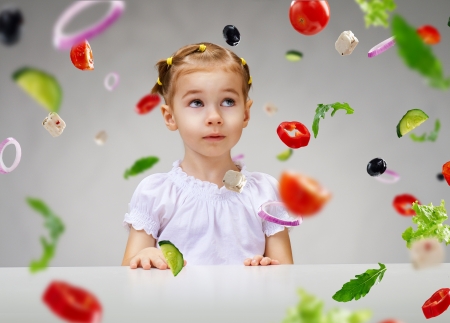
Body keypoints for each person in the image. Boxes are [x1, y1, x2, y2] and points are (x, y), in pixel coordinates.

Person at [121, 42, 294, 270]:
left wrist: (267, 267)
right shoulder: (155, 194)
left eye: (228, 101)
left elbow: (287, 277)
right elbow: (127, 277)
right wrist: (146, 257)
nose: (214, 117)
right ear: (170, 116)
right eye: (196, 102)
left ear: (246, 113)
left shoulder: (265, 193)